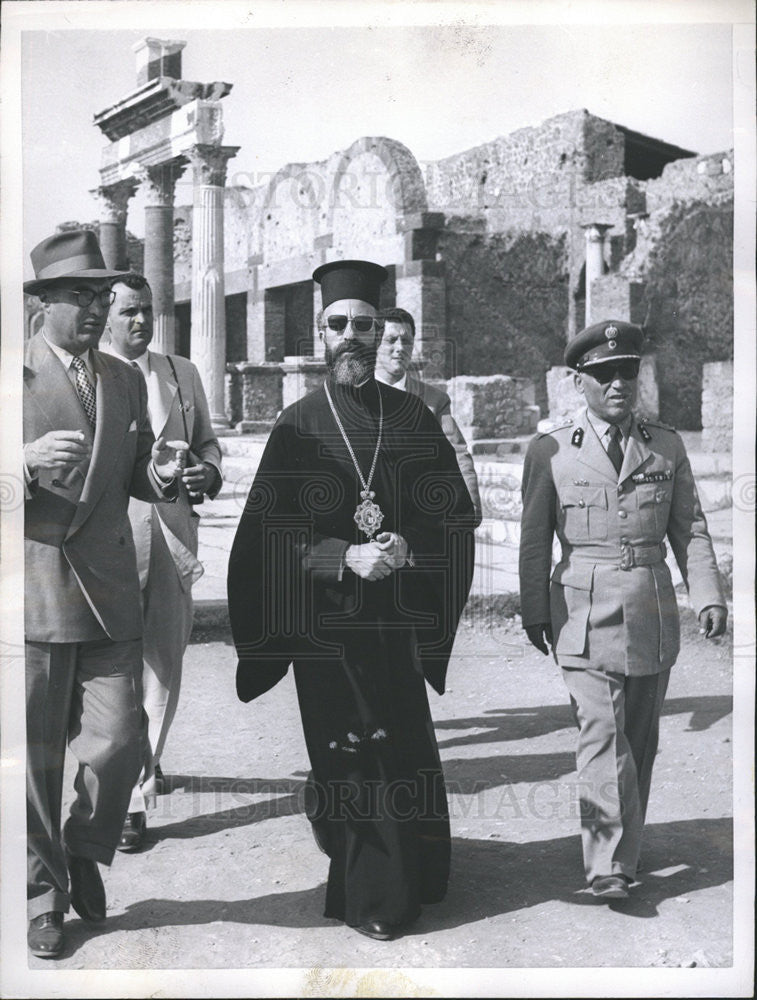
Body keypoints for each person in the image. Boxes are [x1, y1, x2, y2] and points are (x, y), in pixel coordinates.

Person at [227, 260, 475, 941]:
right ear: (321, 332)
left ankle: (417, 873)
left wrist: (404, 548)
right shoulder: (297, 426)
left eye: (363, 326)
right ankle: (373, 896)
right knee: (350, 752)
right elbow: (263, 544)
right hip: (326, 627)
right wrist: (342, 556)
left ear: (378, 331)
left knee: (401, 746)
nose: (350, 338)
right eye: (338, 326)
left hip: (394, 619)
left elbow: (451, 516)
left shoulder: (413, 417)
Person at [518, 319, 727, 900]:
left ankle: (622, 847)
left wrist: (708, 595)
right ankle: (608, 865)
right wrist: (535, 607)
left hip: (652, 612)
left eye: (627, 373)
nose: (618, 385)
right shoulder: (553, 449)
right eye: (605, 375)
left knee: (639, 740)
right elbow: (534, 538)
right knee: (602, 734)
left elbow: (692, 530)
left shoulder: (666, 445)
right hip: (581, 615)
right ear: (578, 382)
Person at [23, 230, 184, 958]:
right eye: (80, 296)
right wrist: (20, 464)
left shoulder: (121, 378)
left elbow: (137, 474)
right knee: (35, 762)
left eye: (101, 296)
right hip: (37, 594)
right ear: (43, 303)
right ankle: (41, 897)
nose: (96, 309)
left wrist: (169, 476)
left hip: (112, 589)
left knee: (120, 740)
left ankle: (85, 847)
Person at [102, 273, 223, 851]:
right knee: (112, 671)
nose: (141, 321)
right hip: (108, 545)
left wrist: (209, 471)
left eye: (146, 310)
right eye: (128, 312)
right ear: (106, 315)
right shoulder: (92, 377)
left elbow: (207, 442)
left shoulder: (181, 373)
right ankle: (128, 767)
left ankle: (135, 795)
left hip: (173, 538)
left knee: (164, 664)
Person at [374, 306, 483, 526]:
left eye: (406, 342)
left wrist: (471, 505)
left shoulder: (434, 401)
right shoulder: (357, 396)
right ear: (375, 344)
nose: (400, 348)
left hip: (418, 518)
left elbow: (458, 454)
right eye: (391, 340)